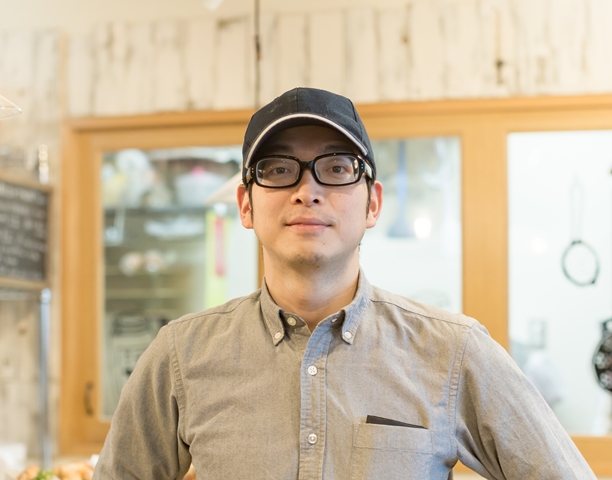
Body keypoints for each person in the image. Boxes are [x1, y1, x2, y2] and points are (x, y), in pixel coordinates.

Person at [94, 87, 596, 480]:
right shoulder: (181, 355)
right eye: (278, 169)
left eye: (336, 168)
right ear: (246, 204)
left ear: (372, 203)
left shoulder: (454, 352)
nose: (307, 191)